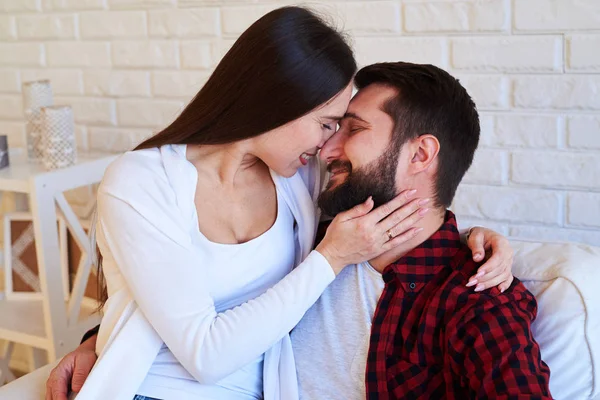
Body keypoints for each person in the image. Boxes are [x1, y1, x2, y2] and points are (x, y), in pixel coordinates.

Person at [43, 7, 514, 400]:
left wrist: (474, 239)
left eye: (344, 127)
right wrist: (330, 258)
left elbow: (398, 200)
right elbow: (198, 344)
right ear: (276, 103)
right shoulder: (145, 180)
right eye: (328, 123)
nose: (330, 146)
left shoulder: (297, 179)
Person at [292, 62, 551, 399]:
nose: (326, 149)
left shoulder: (476, 300)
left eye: (353, 130)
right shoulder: (304, 242)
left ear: (420, 154)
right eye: (334, 127)